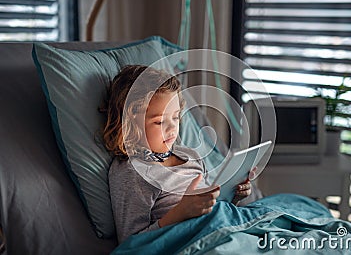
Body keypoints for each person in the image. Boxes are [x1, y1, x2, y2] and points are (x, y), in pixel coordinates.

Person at [102, 65, 252, 243]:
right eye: (159, 122)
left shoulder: (190, 155)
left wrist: (234, 196)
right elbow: (131, 244)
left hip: (221, 228)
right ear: (129, 124)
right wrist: (180, 213)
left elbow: (212, 208)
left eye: (175, 117)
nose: (172, 127)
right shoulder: (133, 173)